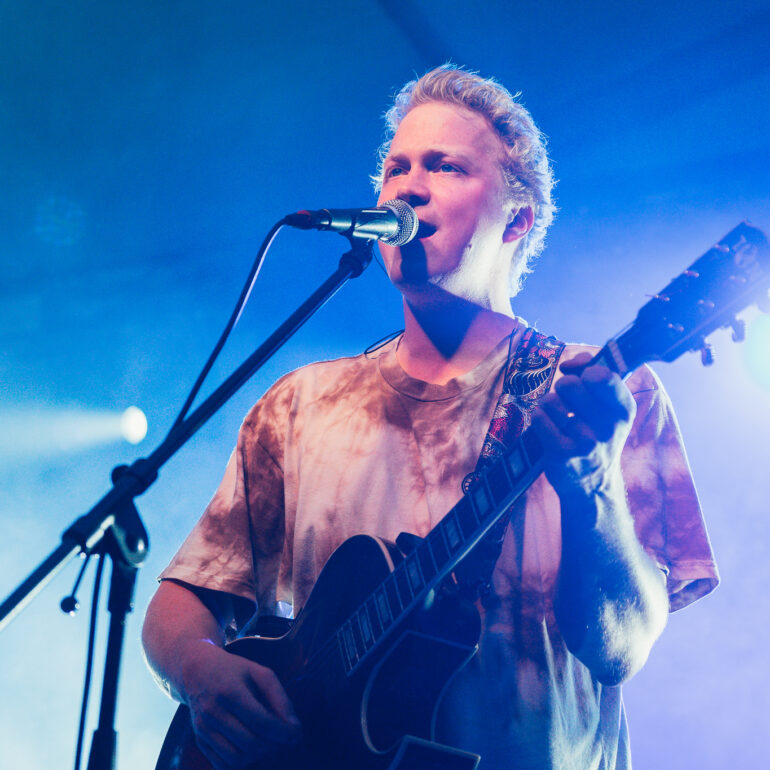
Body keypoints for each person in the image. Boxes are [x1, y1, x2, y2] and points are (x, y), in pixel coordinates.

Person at [142, 65, 719, 769]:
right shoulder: (299, 406)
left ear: (518, 218)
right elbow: (182, 601)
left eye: (445, 166)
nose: (408, 187)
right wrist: (200, 672)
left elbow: (620, 648)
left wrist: (591, 484)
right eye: (395, 169)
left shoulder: (597, 396)